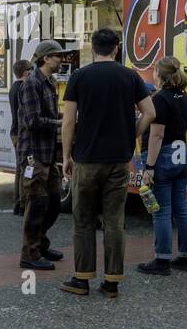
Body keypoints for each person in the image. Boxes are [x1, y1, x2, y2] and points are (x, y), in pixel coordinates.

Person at [60, 28, 155, 298]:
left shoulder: (80, 76)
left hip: (87, 160)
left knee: (84, 220)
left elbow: (68, 121)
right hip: (118, 160)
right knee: (115, 221)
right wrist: (131, 134)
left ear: (93, 48)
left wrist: (66, 156)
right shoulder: (130, 76)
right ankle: (112, 281)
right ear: (116, 49)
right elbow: (150, 112)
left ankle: (82, 278)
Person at [137, 57, 187, 276]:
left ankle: (161, 260)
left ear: (160, 75)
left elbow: (157, 134)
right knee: (181, 208)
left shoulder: (160, 99)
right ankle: (186, 256)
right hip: (183, 155)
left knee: (161, 211)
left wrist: (150, 166)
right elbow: (185, 126)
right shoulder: (184, 98)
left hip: (164, 156)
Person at [18, 41, 67, 271]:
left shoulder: (50, 82)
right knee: (36, 204)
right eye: (57, 56)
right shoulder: (31, 84)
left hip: (48, 153)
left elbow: (47, 114)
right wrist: (61, 122)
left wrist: (66, 116)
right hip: (34, 154)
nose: (61, 60)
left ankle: (41, 243)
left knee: (54, 202)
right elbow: (32, 121)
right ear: (46, 59)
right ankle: (30, 253)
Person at [8, 59, 35, 216]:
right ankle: (24, 204)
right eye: (31, 69)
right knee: (26, 169)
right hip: (21, 133)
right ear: (26, 72)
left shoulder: (14, 87)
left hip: (15, 132)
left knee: (20, 169)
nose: (33, 71)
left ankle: (18, 204)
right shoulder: (24, 88)